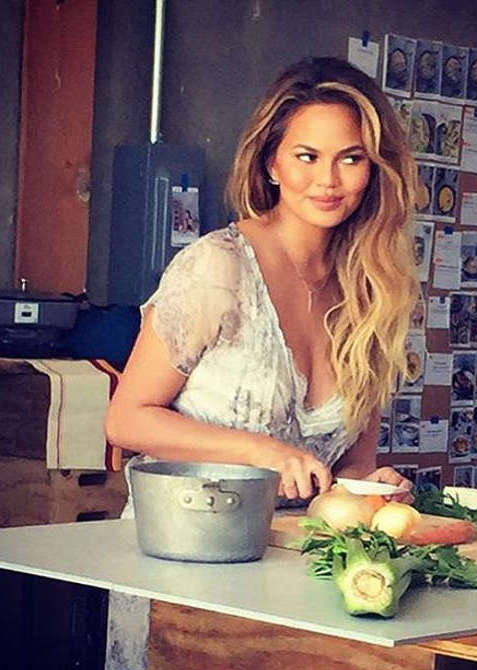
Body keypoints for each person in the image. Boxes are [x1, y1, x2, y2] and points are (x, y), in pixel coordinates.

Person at [105, 57, 418, 515]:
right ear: (272, 162)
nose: (328, 181)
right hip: (184, 552)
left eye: (350, 159)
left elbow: (350, 465)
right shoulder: (218, 267)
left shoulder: (374, 291)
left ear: (373, 169)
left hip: (297, 563)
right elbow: (126, 420)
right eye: (306, 157)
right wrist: (258, 450)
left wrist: (371, 491)